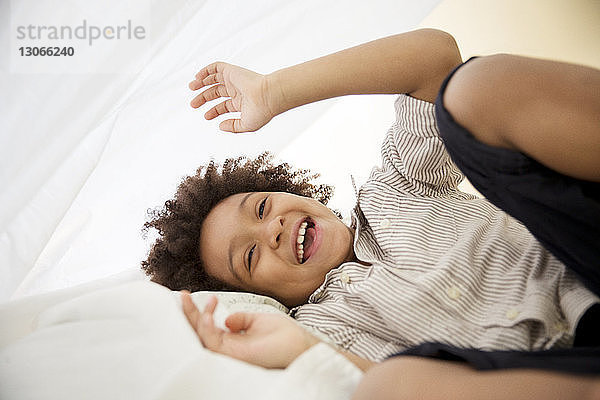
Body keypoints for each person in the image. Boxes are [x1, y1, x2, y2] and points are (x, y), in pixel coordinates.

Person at [144, 29, 600, 398]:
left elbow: (435, 57)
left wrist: (274, 90)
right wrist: (303, 350)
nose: (274, 229)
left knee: (468, 90)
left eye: (262, 208)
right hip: (558, 373)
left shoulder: (394, 187)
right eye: (249, 257)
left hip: (587, 264)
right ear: (265, 296)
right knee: (385, 385)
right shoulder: (321, 325)